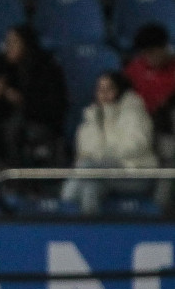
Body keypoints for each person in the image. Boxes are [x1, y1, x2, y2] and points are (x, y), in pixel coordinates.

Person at [0, 24, 68, 171]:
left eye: (14, 42)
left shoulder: (46, 68)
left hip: (38, 122)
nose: (8, 47)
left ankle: (19, 182)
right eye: (7, 42)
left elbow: (53, 106)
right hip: (1, 123)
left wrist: (22, 100)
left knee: (15, 130)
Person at [60, 71, 159, 215]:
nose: (104, 93)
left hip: (136, 174)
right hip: (101, 173)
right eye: (100, 89)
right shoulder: (92, 116)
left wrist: (101, 156)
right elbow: (83, 150)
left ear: (120, 90)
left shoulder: (134, 113)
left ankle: (66, 197)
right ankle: (91, 233)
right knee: (90, 187)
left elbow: (136, 145)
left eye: (109, 88)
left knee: (87, 167)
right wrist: (98, 158)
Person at [122, 22, 175, 139]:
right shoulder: (134, 69)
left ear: (164, 47)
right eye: (143, 53)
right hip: (142, 125)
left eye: (151, 52)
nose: (147, 58)